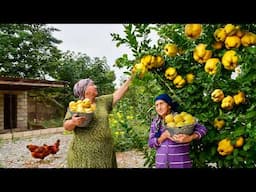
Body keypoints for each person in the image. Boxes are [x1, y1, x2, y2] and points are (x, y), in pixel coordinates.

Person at [63, 76, 133, 168]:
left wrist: (131, 78)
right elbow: (66, 126)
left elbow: (118, 94)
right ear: (85, 90)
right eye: (92, 85)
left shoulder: (103, 101)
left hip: (105, 153)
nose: (96, 86)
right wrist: (73, 122)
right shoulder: (76, 106)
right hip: (84, 156)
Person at [148, 93, 207, 168]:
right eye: (156, 105)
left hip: (181, 163)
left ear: (169, 106)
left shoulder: (181, 118)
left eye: (161, 104)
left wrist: (191, 137)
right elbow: (150, 143)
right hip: (161, 164)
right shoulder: (155, 123)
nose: (159, 108)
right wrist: (163, 136)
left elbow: (203, 129)